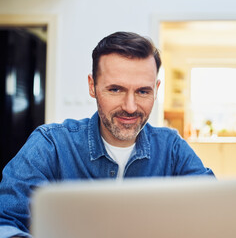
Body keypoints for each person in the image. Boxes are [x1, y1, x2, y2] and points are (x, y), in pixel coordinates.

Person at [0, 31, 214, 237]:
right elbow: (5, 221)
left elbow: (214, 212)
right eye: (115, 90)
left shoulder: (172, 148)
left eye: (142, 91)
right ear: (92, 86)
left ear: (156, 89)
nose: (130, 107)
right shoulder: (51, 144)